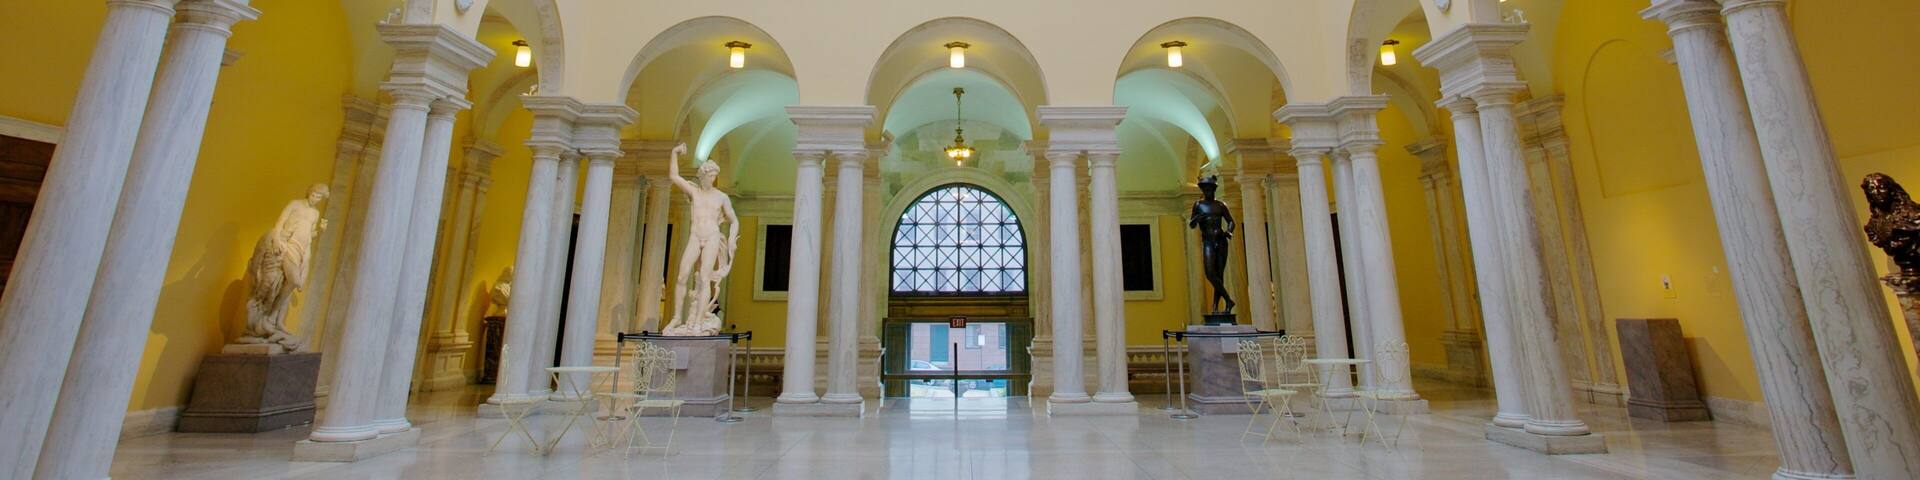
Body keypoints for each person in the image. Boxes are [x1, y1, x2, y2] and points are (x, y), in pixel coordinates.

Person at [662, 143, 740, 336]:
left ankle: (697, 321)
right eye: (709, 176)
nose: (712, 179)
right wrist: (674, 152)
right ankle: (677, 317)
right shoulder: (694, 192)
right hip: (695, 235)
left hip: (712, 236)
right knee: (682, 276)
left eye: (714, 176)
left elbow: (734, 220)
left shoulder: (721, 197)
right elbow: (674, 176)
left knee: (705, 278)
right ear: (702, 175)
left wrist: (731, 240)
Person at [1188, 175, 1235, 314]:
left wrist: (1229, 232)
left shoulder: (1220, 205)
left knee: (1219, 275)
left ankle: (1216, 307)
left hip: (1220, 241)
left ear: (1214, 190)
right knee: (1210, 273)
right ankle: (1228, 300)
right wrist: (1198, 218)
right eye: (1205, 189)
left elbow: (1231, 221)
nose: (1208, 191)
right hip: (1208, 241)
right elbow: (1191, 224)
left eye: (1210, 189)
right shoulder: (1198, 205)